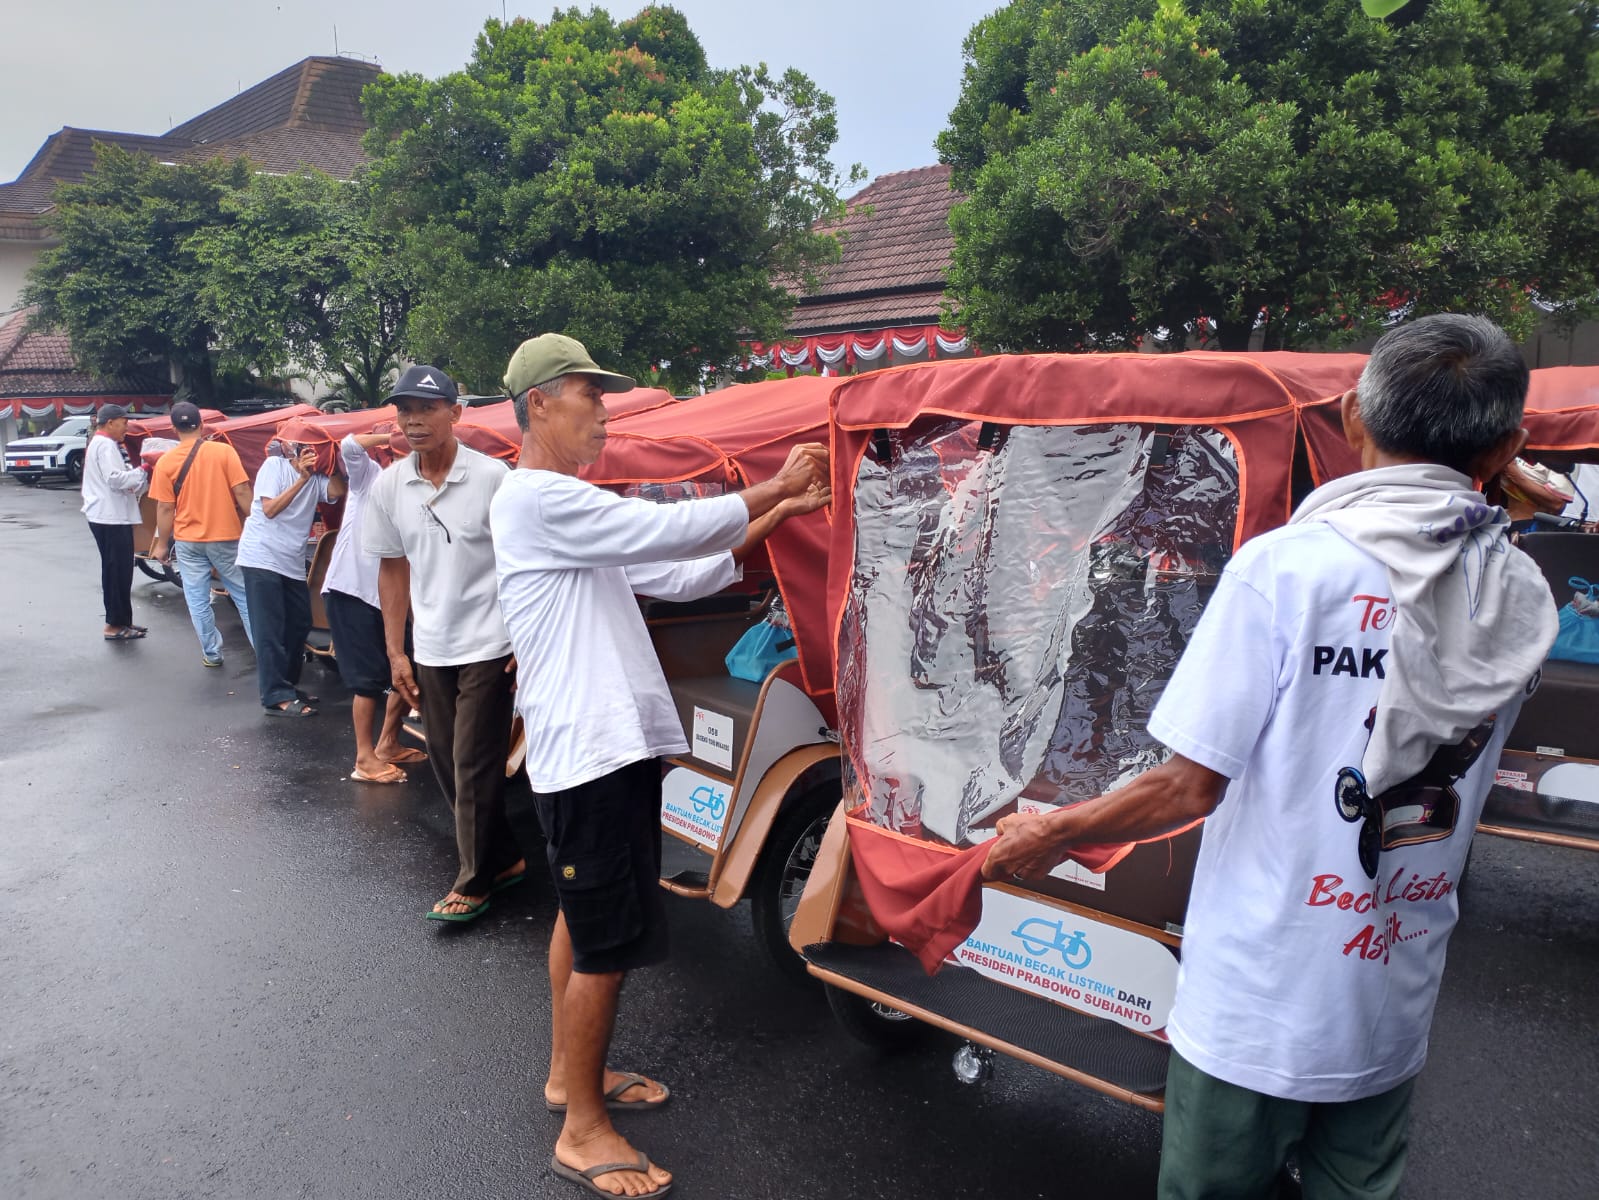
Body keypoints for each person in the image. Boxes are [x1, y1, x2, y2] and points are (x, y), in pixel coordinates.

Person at [982, 314, 1559, 1200]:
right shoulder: (1513, 591)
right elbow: (1497, 514)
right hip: (1390, 981)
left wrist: (1049, 833)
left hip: (1260, 991)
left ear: (1352, 421)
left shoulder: (1289, 568)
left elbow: (1187, 784)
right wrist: (1492, 473)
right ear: (1508, 443)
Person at [490, 333, 830, 1200]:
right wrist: (778, 485)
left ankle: (574, 1079)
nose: (603, 410)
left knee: (584, 919)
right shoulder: (533, 497)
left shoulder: (563, 508)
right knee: (606, 939)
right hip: (590, 752)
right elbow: (661, 525)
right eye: (588, 395)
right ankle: (582, 1133)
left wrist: (777, 515)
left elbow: (676, 573)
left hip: (607, 748)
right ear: (540, 405)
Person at [363, 365, 525, 921]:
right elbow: (392, 570)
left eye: (426, 409)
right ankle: (502, 858)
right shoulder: (390, 485)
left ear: (456, 414)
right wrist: (396, 651)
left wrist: (523, 638)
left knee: (473, 762)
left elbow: (522, 564)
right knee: (442, 757)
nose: (413, 420)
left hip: (489, 641)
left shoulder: (494, 479)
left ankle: (473, 880)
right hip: (431, 646)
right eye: (405, 410)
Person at [323, 430, 429, 782]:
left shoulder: (420, 494)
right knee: (367, 680)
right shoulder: (370, 477)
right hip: (351, 590)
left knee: (411, 665)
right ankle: (364, 759)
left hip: (391, 599)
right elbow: (349, 446)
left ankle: (387, 743)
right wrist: (390, 433)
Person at [237, 441, 345, 716]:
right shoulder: (274, 466)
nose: (309, 452)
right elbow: (270, 509)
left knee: (299, 622)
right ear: (290, 449)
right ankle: (275, 696)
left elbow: (337, 490)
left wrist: (332, 462)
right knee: (270, 629)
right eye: (304, 447)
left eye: (315, 448)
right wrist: (301, 479)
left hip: (291, 562)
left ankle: (287, 685)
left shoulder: (318, 477)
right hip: (261, 556)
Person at [149, 401, 255, 668]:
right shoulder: (224, 452)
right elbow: (242, 491)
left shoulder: (165, 462)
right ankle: (263, 650)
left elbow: (164, 508)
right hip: (226, 536)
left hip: (188, 541)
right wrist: (255, 524)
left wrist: (162, 544)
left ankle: (212, 653)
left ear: (173, 429)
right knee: (243, 595)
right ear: (203, 425)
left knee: (197, 599)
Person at [80, 403, 148, 641]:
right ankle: (113, 624)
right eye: (124, 422)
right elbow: (115, 479)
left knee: (121, 571)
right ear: (110, 423)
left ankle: (123, 621)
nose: (126, 427)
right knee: (115, 571)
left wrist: (140, 476)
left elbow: (124, 479)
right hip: (108, 517)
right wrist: (144, 470)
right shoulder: (105, 445)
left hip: (113, 515)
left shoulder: (108, 445)